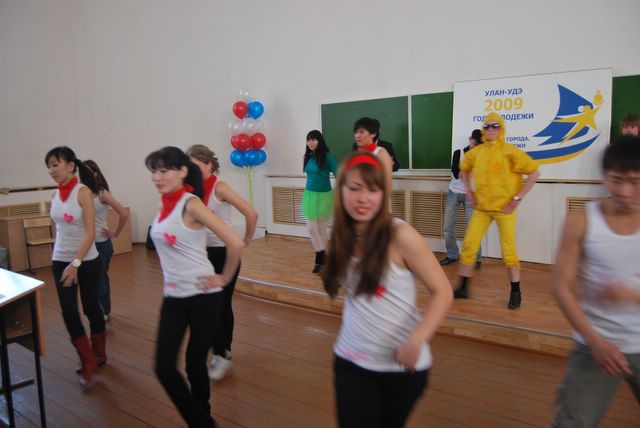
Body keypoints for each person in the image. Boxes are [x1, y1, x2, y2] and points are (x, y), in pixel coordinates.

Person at [322, 151, 453, 428]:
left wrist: (416, 341)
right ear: (341, 190)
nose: (363, 198)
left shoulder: (400, 236)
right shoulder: (340, 236)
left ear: (383, 194)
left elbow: (443, 291)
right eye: (354, 188)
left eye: (373, 190)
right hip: (350, 359)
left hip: (400, 367)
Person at [146, 147, 244, 428]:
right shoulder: (163, 206)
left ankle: (201, 417)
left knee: (194, 363)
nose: (157, 177)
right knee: (163, 367)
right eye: (154, 171)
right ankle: (203, 422)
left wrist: (223, 278)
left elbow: (234, 242)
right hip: (174, 297)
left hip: (204, 296)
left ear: (182, 171)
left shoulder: (191, 204)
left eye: (164, 170)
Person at [552, 136, 640, 427]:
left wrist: (631, 295)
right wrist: (595, 341)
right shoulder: (581, 220)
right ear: (605, 177)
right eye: (617, 180)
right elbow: (561, 286)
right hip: (596, 341)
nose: (625, 192)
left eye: (636, 182)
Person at [186, 144, 258, 382]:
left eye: (196, 165)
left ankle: (222, 353)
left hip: (222, 254)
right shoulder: (190, 189)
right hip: (199, 254)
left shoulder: (220, 187)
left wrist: (246, 238)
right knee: (203, 306)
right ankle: (214, 348)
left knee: (220, 305)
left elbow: (251, 213)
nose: (192, 170)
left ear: (209, 164)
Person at [453, 113, 540, 309]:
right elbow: (464, 169)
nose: (491, 129)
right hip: (482, 209)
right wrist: (469, 192)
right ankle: (463, 287)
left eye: (495, 126)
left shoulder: (510, 152)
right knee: (469, 245)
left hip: (504, 209)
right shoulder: (477, 152)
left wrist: (517, 198)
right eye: (487, 126)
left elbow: (534, 172)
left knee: (508, 250)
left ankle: (516, 292)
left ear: (501, 129)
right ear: (483, 130)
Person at [46, 146, 106, 388]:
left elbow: (91, 233)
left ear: (71, 166)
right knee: (69, 312)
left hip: (87, 260)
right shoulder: (53, 195)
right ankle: (87, 360)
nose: (51, 170)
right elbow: (57, 229)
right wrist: (59, 256)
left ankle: (99, 353)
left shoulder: (83, 192)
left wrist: (76, 264)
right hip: (61, 260)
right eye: (49, 166)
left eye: (55, 164)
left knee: (91, 307)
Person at [84, 160, 130, 322]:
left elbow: (123, 213)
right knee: (89, 279)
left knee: (100, 278)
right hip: (86, 244)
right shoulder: (80, 193)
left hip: (101, 243)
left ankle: (104, 310)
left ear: (95, 173)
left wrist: (115, 232)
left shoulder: (101, 193)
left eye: (87, 172)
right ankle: (94, 309)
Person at [439, 129, 483, 267]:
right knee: (448, 226)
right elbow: (456, 173)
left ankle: (476, 258)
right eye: (474, 144)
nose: (475, 147)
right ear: (470, 139)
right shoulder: (458, 153)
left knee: (473, 226)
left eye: (478, 146)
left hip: (472, 194)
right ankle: (452, 255)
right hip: (454, 192)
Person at [301, 130, 338, 273]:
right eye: (308, 140)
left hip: (324, 196)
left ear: (320, 141)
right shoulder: (308, 156)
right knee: (311, 229)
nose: (310, 143)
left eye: (314, 140)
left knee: (322, 229)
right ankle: (322, 257)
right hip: (309, 195)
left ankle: (319, 261)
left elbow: (338, 174)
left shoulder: (328, 157)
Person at [353, 117, 394, 193]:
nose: (357, 136)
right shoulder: (356, 153)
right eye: (356, 132)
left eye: (361, 132)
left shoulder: (380, 152)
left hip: (374, 197)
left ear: (373, 134)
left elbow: (387, 183)